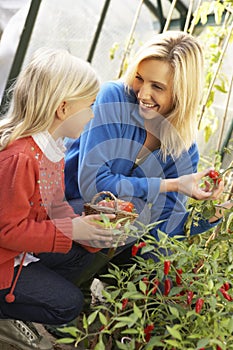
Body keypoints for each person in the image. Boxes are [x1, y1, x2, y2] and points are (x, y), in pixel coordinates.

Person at [64, 30, 232, 266]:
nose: (143, 93)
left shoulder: (183, 148)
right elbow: (93, 186)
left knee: (151, 246)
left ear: (182, 93)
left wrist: (213, 213)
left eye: (157, 87)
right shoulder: (114, 98)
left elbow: (166, 229)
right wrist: (171, 185)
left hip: (106, 232)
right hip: (61, 211)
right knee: (135, 214)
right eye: (139, 78)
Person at [0, 47, 124, 350]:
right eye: (90, 105)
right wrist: (71, 229)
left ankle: (31, 292)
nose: (93, 114)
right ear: (64, 108)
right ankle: (7, 315)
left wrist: (89, 230)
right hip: (3, 258)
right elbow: (7, 231)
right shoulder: (20, 159)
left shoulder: (50, 149)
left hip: (17, 252)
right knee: (67, 305)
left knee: (82, 251)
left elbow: (55, 208)